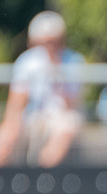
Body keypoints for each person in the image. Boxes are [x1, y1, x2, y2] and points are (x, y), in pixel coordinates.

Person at [0, 12, 85, 167]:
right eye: (44, 41)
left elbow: (71, 105)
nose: (49, 46)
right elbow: (16, 104)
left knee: (66, 128)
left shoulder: (73, 61)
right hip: (32, 116)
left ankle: (43, 176)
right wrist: (10, 129)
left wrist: (57, 71)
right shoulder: (27, 61)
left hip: (61, 116)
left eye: (53, 41)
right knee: (7, 134)